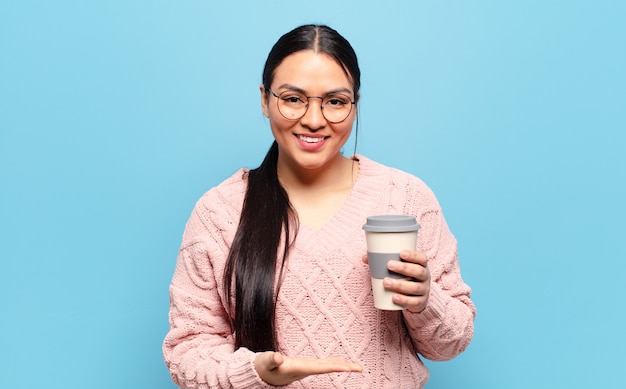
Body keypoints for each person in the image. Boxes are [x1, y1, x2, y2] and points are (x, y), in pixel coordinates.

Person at [163, 24, 475, 388]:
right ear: (265, 100)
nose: (313, 120)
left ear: (355, 105)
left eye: (335, 101)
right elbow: (186, 353)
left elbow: (451, 343)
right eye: (293, 99)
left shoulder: (405, 197)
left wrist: (425, 301)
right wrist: (254, 372)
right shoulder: (219, 212)